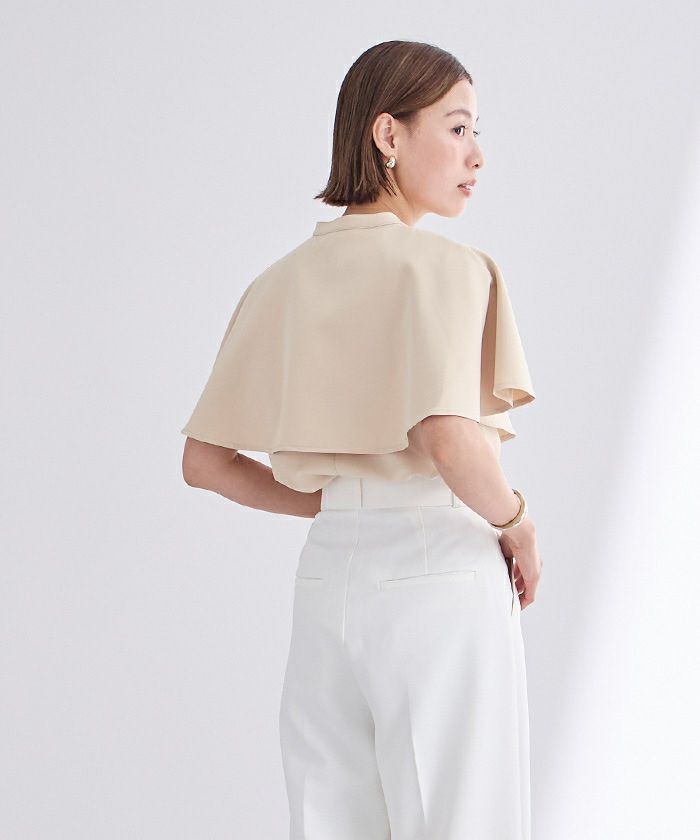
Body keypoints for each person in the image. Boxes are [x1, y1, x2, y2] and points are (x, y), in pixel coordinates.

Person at [180, 39, 542, 840]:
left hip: (328, 581)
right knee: (463, 821)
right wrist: (515, 520)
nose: (477, 155)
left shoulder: (277, 283)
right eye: (457, 127)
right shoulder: (448, 268)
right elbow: (448, 437)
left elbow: (204, 462)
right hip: (439, 572)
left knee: (330, 820)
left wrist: (336, 505)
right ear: (388, 134)